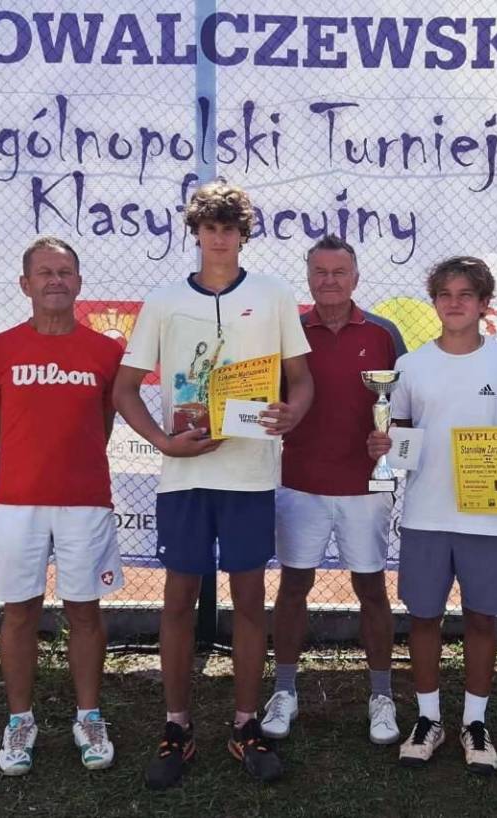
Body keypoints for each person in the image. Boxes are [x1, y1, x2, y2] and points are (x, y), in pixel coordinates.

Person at [113, 181, 314, 788]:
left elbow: (301, 380)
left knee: (250, 601)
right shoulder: (165, 299)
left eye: (229, 228)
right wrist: (162, 441)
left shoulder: (274, 294)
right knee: (178, 599)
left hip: (250, 474)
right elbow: (125, 389)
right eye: (210, 227)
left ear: (243, 235)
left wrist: (292, 413)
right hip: (185, 474)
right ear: (196, 233)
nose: (219, 238)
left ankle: (245, 724)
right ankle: (177, 726)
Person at [368, 256, 497, 775]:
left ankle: (475, 723)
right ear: (434, 301)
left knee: (482, 618)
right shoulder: (411, 365)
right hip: (426, 514)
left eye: (466, 294)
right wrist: (385, 447)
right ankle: (429, 719)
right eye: (445, 294)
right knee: (424, 617)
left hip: (487, 515)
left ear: (484, 304)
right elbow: (401, 436)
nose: (455, 303)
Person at [0, 236, 125, 776]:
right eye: (44, 272)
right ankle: (20, 721)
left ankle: (89, 717)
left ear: (78, 283)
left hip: (85, 501)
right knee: (20, 612)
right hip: (19, 502)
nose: (55, 280)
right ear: (25, 284)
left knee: (85, 611)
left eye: (64, 272)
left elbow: (103, 423)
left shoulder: (107, 353)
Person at [260, 234, 406, 746]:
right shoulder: (290, 332)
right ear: (308, 278)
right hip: (301, 484)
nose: (329, 281)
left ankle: (382, 695)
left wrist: (391, 440)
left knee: (371, 590)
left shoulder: (384, 334)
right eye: (320, 272)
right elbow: (264, 398)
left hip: (366, 487)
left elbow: (406, 406)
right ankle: (284, 690)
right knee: (293, 587)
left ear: (356, 277)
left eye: (339, 272)